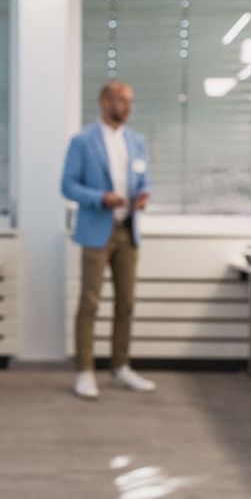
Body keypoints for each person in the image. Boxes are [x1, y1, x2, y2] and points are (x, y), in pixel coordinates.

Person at [61, 81, 154, 400]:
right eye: (122, 100)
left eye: (131, 101)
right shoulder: (83, 142)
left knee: (126, 303)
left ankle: (121, 366)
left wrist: (144, 194)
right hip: (97, 231)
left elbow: (144, 179)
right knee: (90, 302)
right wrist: (101, 197)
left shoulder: (136, 141)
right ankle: (84, 371)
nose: (128, 107)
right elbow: (68, 186)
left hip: (128, 231)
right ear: (105, 101)